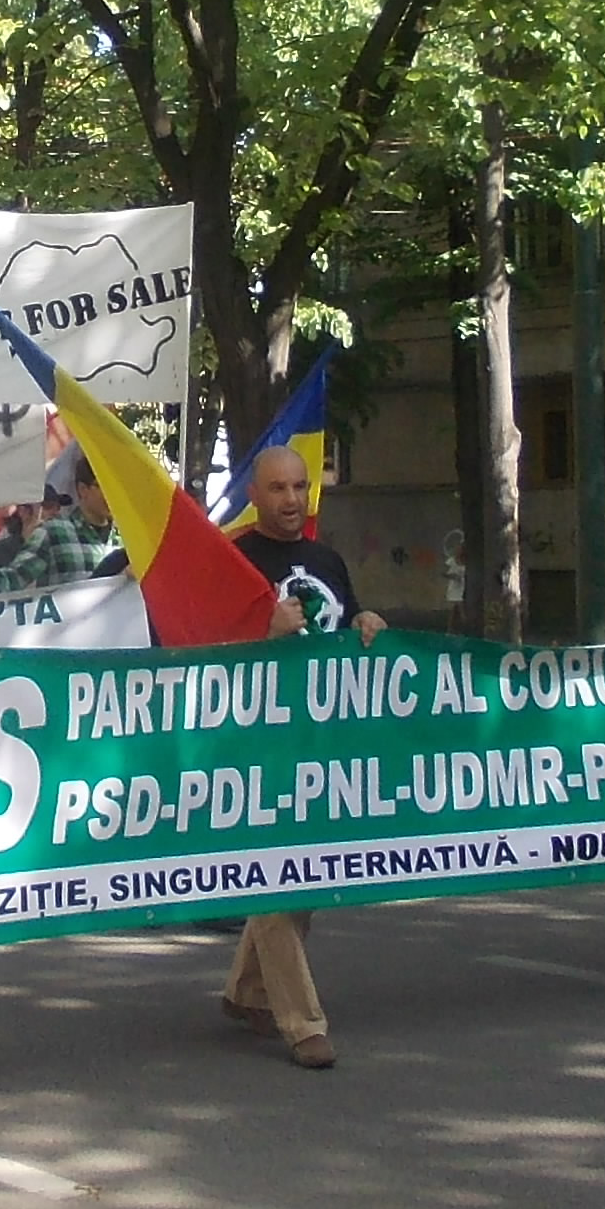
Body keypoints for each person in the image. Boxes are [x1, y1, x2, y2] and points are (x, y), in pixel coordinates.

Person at [225, 442, 373, 1071]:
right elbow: (200, 649)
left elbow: (346, 624)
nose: (290, 500)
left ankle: (246, 990)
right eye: (278, 489)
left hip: (322, 741)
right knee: (277, 872)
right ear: (255, 495)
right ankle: (302, 1022)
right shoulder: (231, 561)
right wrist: (261, 632)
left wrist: (367, 622)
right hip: (257, 746)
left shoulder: (325, 560)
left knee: (309, 872)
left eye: (299, 488)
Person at [0, 465, 117, 591]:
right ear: (83, 489)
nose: (114, 493)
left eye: (118, 486)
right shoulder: (52, 532)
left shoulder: (129, 538)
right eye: (105, 485)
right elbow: (9, 583)